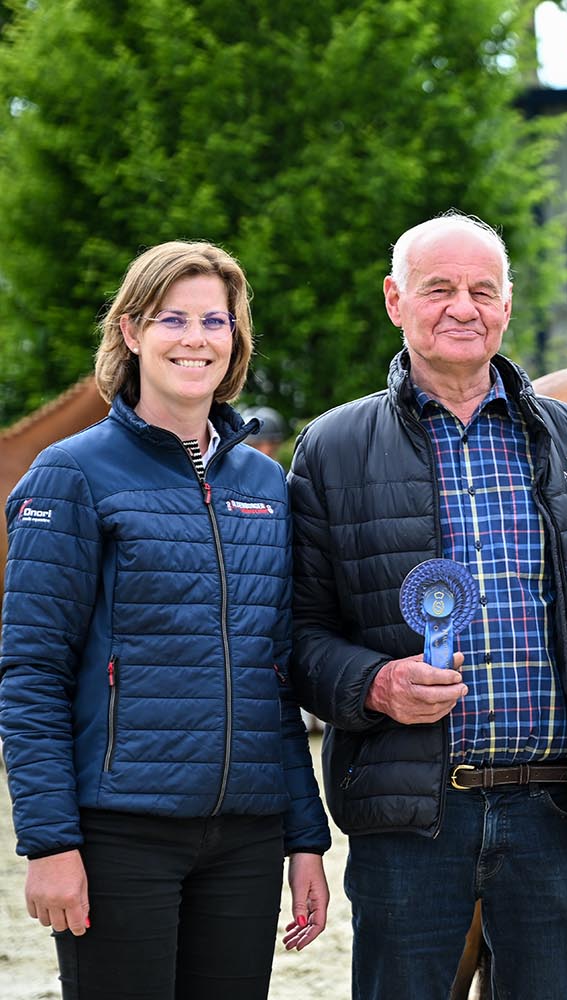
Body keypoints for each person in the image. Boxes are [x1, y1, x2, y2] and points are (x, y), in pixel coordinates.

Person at [288, 211, 567, 999]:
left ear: (506, 304)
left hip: (552, 812)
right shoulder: (332, 448)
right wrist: (373, 685)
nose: (462, 307)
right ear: (395, 300)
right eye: (438, 289)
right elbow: (296, 638)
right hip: (408, 814)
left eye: (481, 290)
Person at [0, 241, 332, 999]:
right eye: (172, 318)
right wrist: (50, 843)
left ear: (235, 338)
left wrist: (305, 840)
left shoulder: (266, 484)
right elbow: (31, 674)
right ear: (130, 332)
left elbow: (272, 676)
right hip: (122, 832)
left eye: (215, 320)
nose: (196, 338)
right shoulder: (72, 473)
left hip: (246, 837)